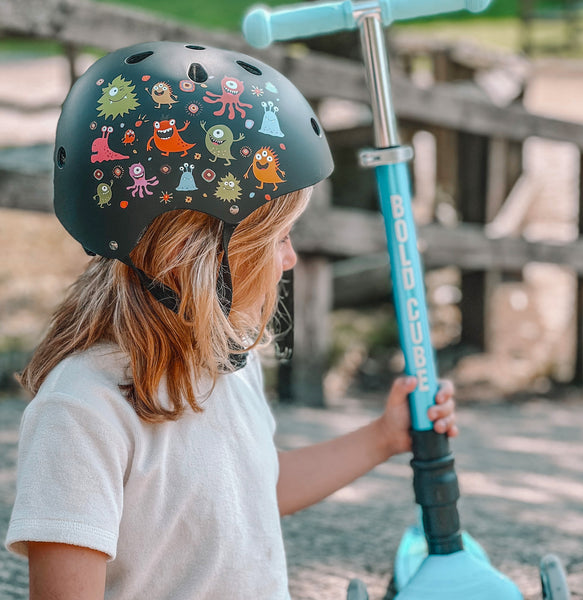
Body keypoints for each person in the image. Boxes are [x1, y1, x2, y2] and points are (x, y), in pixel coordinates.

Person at [5, 41, 458, 599]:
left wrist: (382, 438)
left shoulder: (226, 361)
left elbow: (247, 492)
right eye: (278, 238)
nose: (290, 258)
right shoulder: (80, 411)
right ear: (196, 257)